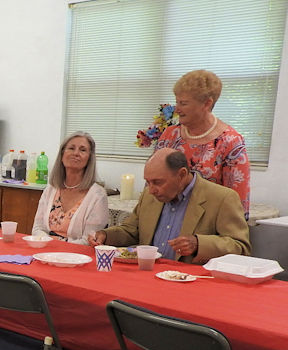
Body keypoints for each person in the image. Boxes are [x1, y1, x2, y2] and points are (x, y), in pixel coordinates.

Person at [87, 148, 250, 263]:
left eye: (157, 182)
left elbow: (240, 247)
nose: (151, 190)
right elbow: (131, 231)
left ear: (182, 175)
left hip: (191, 282)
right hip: (148, 274)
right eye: (148, 182)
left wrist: (199, 244)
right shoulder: (149, 196)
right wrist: (105, 236)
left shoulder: (221, 198)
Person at [155, 70, 250, 219]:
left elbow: (237, 203)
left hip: (207, 224)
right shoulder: (170, 135)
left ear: (207, 104)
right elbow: (152, 186)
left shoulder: (230, 142)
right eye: (177, 102)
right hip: (167, 221)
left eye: (183, 103)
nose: (177, 109)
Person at [31, 131, 108, 244]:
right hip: (45, 248)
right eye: (71, 148)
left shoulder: (98, 195)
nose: (76, 153)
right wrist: (48, 244)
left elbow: (89, 240)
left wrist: (59, 249)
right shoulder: (51, 189)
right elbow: (38, 228)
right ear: (62, 155)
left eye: (83, 150)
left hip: (76, 253)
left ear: (89, 159)